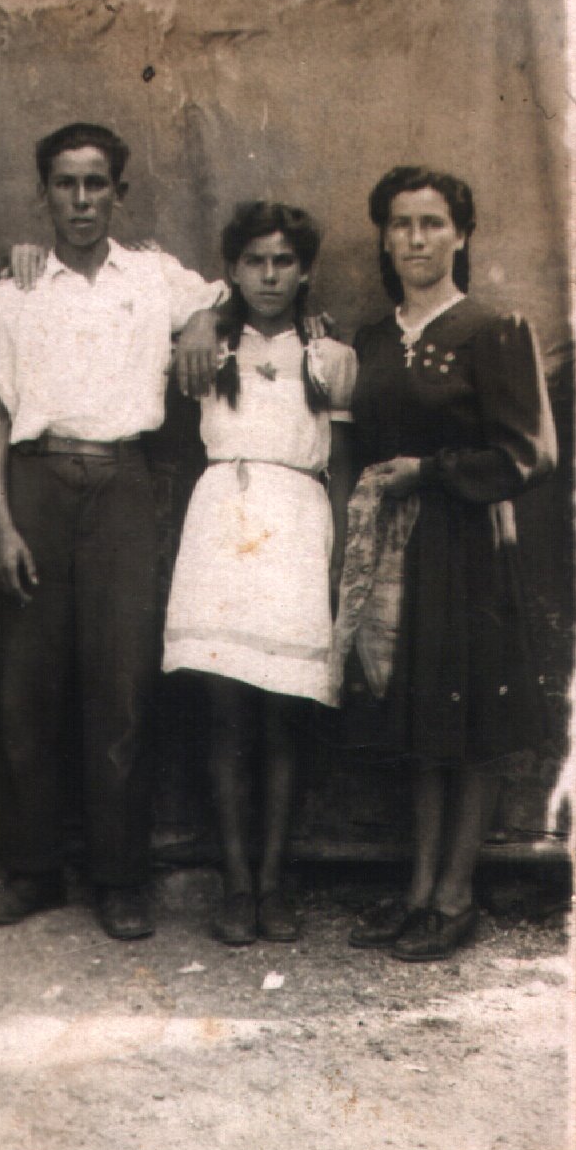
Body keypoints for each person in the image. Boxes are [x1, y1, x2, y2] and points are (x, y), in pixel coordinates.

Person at [0, 122, 225, 940]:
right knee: (27, 687)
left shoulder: (151, 276)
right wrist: (0, 524)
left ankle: (120, 878)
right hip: (35, 481)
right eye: (65, 184)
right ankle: (31, 870)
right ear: (44, 192)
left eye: (95, 184)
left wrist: (199, 323)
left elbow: (221, 299)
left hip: (123, 485)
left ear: (118, 192)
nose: (81, 199)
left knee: (122, 687)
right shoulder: (17, 290)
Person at [341, 166, 556, 961]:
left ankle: (455, 895)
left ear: (461, 235)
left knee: (468, 724)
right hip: (397, 548)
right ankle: (418, 890)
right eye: (401, 224)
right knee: (420, 722)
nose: (416, 239)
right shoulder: (372, 338)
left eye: (432, 223)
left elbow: (530, 453)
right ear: (384, 236)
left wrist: (431, 473)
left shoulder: (492, 329)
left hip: (467, 546)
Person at [162, 201, 356, 945]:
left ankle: (275, 880)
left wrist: (337, 558)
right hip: (223, 524)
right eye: (254, 261)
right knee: (225, 713)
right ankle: (236, 881)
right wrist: (207, 317)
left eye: (283, 261)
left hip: (297, 528)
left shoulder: (328, 355)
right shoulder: (208, 347)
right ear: (233, 271)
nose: (269, 275)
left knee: (284, 715)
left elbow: (340, 466)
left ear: (305, 271)